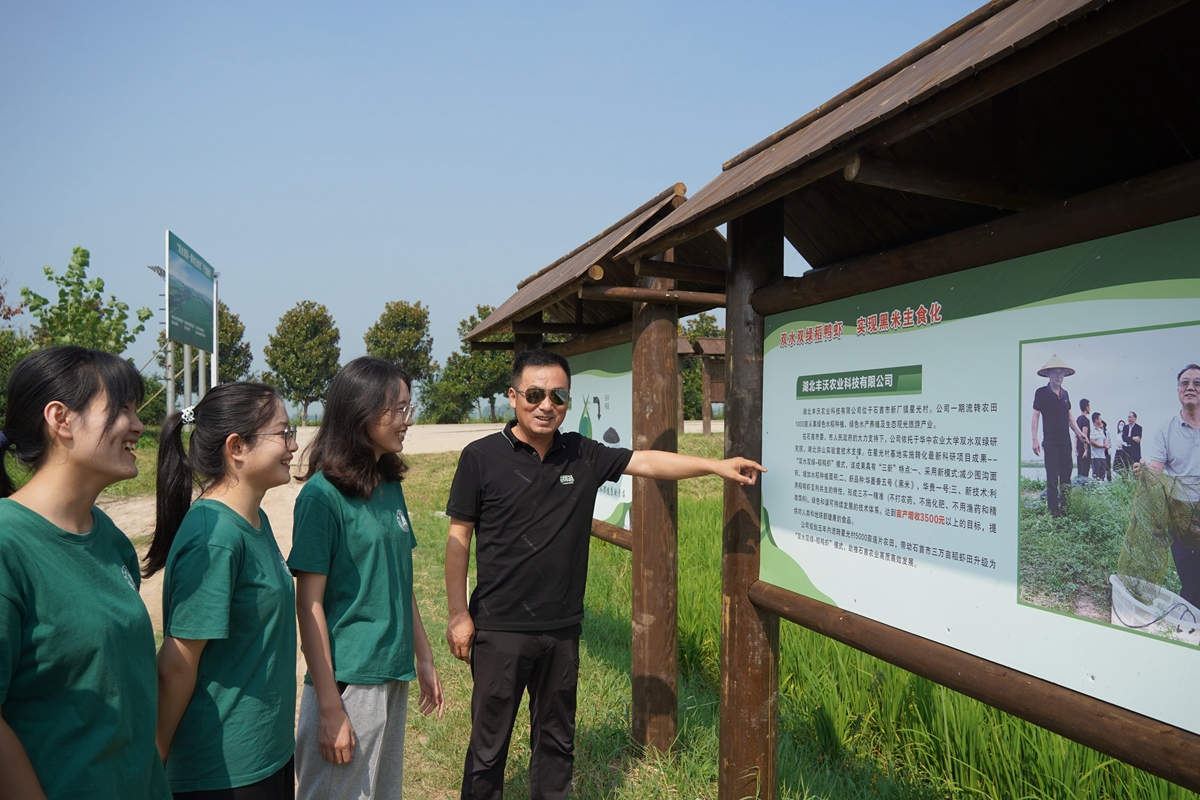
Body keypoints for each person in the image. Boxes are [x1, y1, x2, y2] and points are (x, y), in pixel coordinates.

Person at [445, 348, 766, 800]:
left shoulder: (581, 452)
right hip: (500, 628)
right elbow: (459, 539)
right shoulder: (480, 457)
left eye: (558, 395)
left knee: (557, 740)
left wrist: (715, 466)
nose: (546, 404)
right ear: (513, 396)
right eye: (535, 394)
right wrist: (459, 614)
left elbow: (649, 462)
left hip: (561, 627)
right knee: (488, 743)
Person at [0, 346, 170, 800]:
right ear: (60, 419)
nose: (137, 425)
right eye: (122, 409)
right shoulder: (7, 544)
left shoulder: (110, 537)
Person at [288, 356, 444, 800]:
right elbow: (308, 604)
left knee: (380, 792)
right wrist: (330, 706)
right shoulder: (322, 497)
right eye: (398, 409)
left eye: (408, 408)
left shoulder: (388, 483)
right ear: (360, 412)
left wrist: (424, 657)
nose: (407, 421)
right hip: (350, 678)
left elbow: (400, 579)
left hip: (390, 672)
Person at [145, 383, 299, 799]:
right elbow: (176, 666)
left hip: (268, 754)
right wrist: (151, 766)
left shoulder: (255, 520)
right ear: (237, 447)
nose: (294, 445)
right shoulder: (214, 537)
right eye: (283, 433)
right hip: (225, 772)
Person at [1140, 364, 1200, 606]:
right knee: (1191, 579)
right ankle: (1189, 630)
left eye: (1197, 383)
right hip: (1181, 516)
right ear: (1177, 390)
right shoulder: (1165, 430)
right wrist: (1144, 472)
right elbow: (1156, 470)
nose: (1191, 388)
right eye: (1185, 383)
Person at [1030, 355, 1088, 517]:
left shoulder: (1065, 394)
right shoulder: (1041, 393)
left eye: (1061, 373)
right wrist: (1034, 440)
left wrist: (1079, 433)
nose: (1058, 376)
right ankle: (1054, 515)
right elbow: (1035, 417)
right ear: (1048, 375)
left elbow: (1069, 416)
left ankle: (1066, 511)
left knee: (1066, 479)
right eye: (1055, 373)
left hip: (1066, 443)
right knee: (1052, 480)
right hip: (1050, 443)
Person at [1090, 411, 1110, 481]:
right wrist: (1102, 446)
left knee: (1102, 475)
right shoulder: (1092, 430)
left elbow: (1105, 438)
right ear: (1096, 420)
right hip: (1096, 456)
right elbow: (1092, 442)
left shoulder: (1100, 430)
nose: (1101, 420)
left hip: (1102, 456)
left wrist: (1106, 444)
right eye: (1100, 419)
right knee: (1096, 475)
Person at [1076, 398, 1092, 479]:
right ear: (1086, 407)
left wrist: (1076, 448)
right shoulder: (1086, 420)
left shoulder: (1078, 419)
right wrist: (1086, 450)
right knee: (1085, 471)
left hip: (1078, 447)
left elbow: (1076, 435)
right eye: (1089, 406)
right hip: (1084, 448)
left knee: (1080, 469)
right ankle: (1083, 488)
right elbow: (1084, 435)